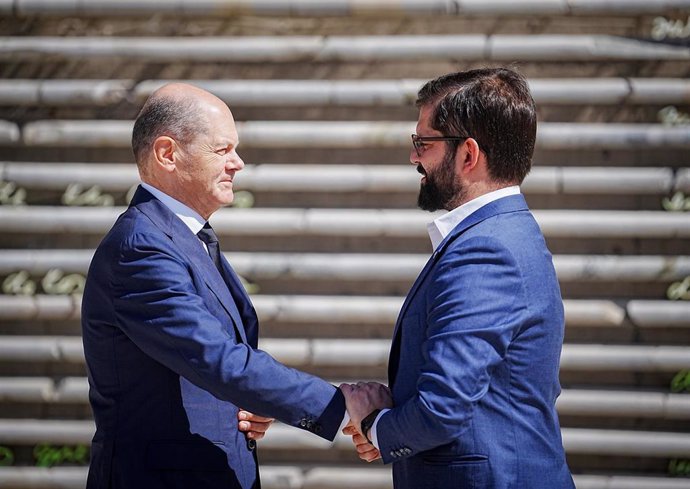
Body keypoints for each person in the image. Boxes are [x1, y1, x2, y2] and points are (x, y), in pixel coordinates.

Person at [81, 83, 358, 489]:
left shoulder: (181, 237)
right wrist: (341, 406)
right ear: (167, 154)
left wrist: (252, 402)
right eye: (222, 149)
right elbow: (217, 359)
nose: (238, 163)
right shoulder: (141, 247)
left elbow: (209, 366)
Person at [341, 68, 575, 488]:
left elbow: (443, 407)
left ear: (468, 155)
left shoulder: (488, 250)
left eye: (423, 143)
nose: (415, 157)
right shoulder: (503, 233)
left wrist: (374, 423)